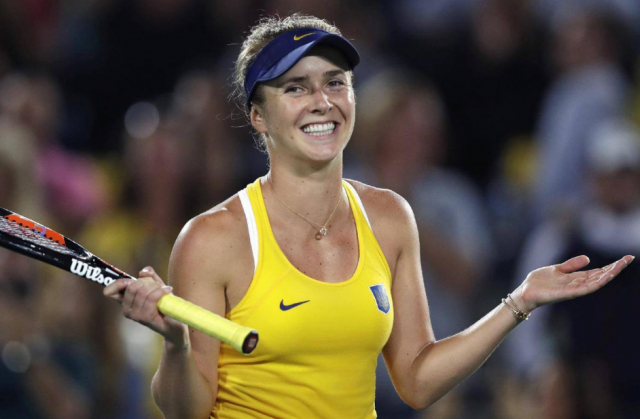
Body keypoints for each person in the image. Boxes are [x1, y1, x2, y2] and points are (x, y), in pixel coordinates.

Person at [104, 13, 634, 419]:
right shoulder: (212, 237)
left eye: (335, 82)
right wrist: (174, 343)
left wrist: (519, 302)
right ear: (258, 116)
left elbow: (417, 380)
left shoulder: (389, 216)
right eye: (296, 87)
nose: (322, 101)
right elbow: (186, 410)